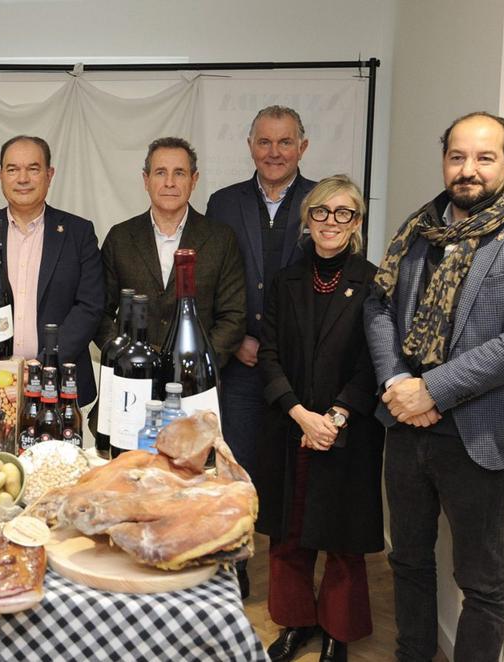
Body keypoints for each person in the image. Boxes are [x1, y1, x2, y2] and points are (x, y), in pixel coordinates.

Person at [365, 112, 504, 661]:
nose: (468, 169)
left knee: (480, 584)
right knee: (407, 561)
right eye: (457, 156)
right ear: (445, 160)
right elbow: (378, 305)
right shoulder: (417, 230)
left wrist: (432, 390)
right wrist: (397, 380)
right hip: (406, 428)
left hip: (480, 438)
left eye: (483, 157)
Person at [256, 175, 383, 662]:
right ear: (308, 219)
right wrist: (299, 413)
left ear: (356, 223)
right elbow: (267, 354)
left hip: (346, 429)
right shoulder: (285, 279)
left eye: (344, 213)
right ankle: (296, 624)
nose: (332, 222)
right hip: (289, 424)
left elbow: (375, 361)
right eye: (322, 212)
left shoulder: (373, 282)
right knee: (287, 535)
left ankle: (337, 631)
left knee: (342, 539)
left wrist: (334, 416)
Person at [207, 105, 316, 596]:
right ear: (250, 146)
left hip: (301, 367)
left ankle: (291, 584)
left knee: (295, 475)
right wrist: (239, 338)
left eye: (285, 142)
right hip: (243, 363)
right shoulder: (222, 203)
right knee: (239, 467)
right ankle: (238, 566)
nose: (275, 152)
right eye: (265, 142)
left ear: (302, 147)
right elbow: (215, 281)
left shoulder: (323, 200)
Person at [0, 135, 104, 405]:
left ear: (49, 174)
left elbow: (90, 305)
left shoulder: (78, 233)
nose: (23, 178)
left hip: (55, 383)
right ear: (0, 175)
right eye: (12, 169)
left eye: (33, 168)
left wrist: (43, 365)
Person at [97, 136, 247, 364]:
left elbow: (233, 316)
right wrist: (125, 357)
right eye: (160, 172)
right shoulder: (120, 238)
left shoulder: (221, 239)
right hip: (131, 377)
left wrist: (196, 365)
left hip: (196, 381)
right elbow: (99, 312)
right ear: (146, 180)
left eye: (179, 173)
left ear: (194, 180)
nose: (169, 182)